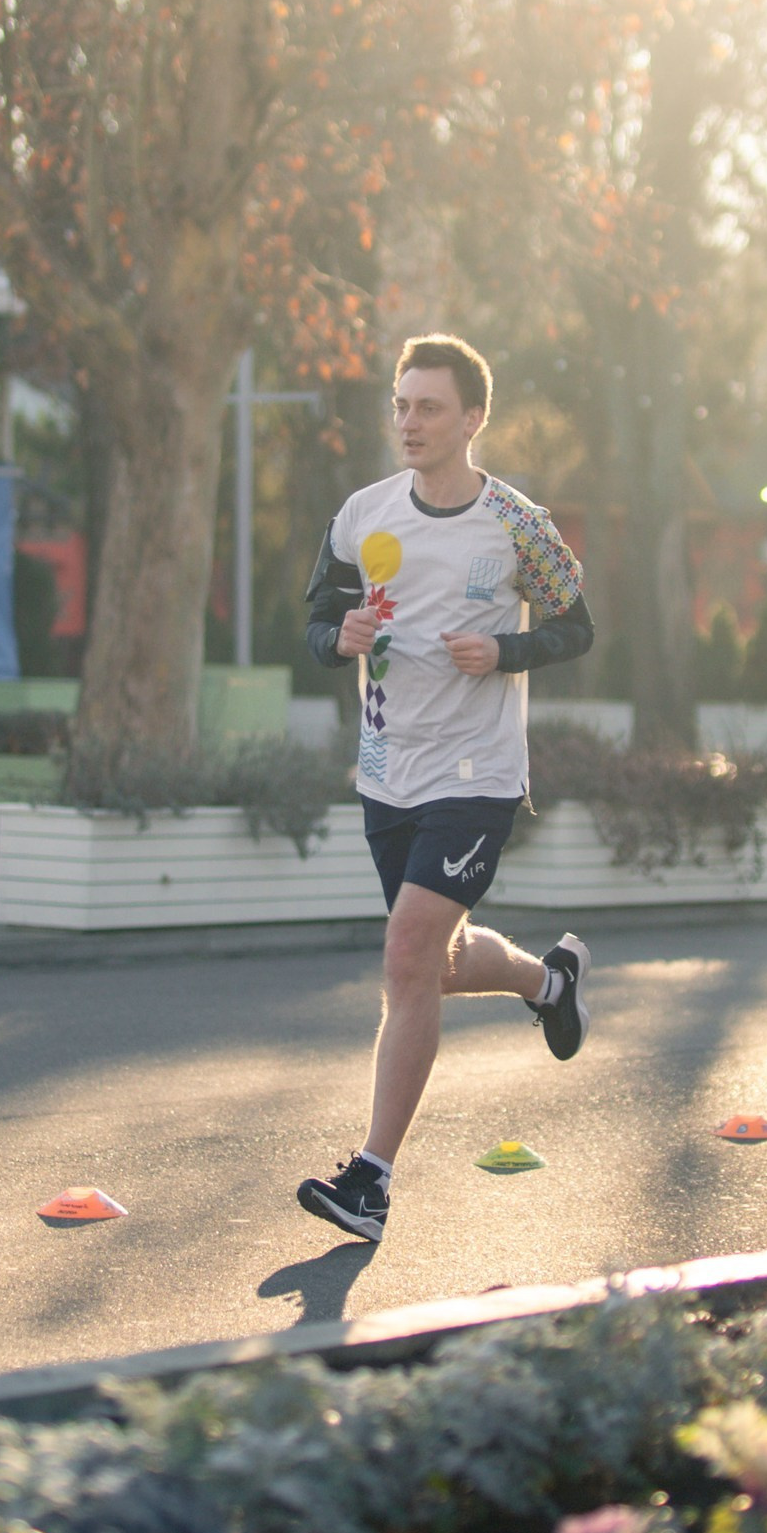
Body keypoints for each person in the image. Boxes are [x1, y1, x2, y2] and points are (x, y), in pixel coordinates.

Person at [295, 334, 597, 1244]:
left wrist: (506, 650)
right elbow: (316, 616)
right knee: (435, 961)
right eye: (400, 404)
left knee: (404, 954)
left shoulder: (517, 522)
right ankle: (549, 981)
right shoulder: (362, 515)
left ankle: (371, 1182)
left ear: (472, 419)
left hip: (477, 775)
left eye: (428, 407)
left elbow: (577, 626)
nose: (409, 422)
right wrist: (335, 635)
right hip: (388, 772)